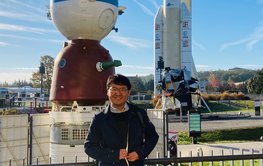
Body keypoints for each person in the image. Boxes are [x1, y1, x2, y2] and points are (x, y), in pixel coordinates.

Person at [84, 74, 159, 166]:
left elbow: (153, 137)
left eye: (123, 89)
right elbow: (89, 147)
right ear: (107, 91)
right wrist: (114, 154)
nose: (118, 93)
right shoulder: (99, 118)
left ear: (129, 92)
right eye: (114, 89)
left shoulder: (139, 113)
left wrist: (140, 153)